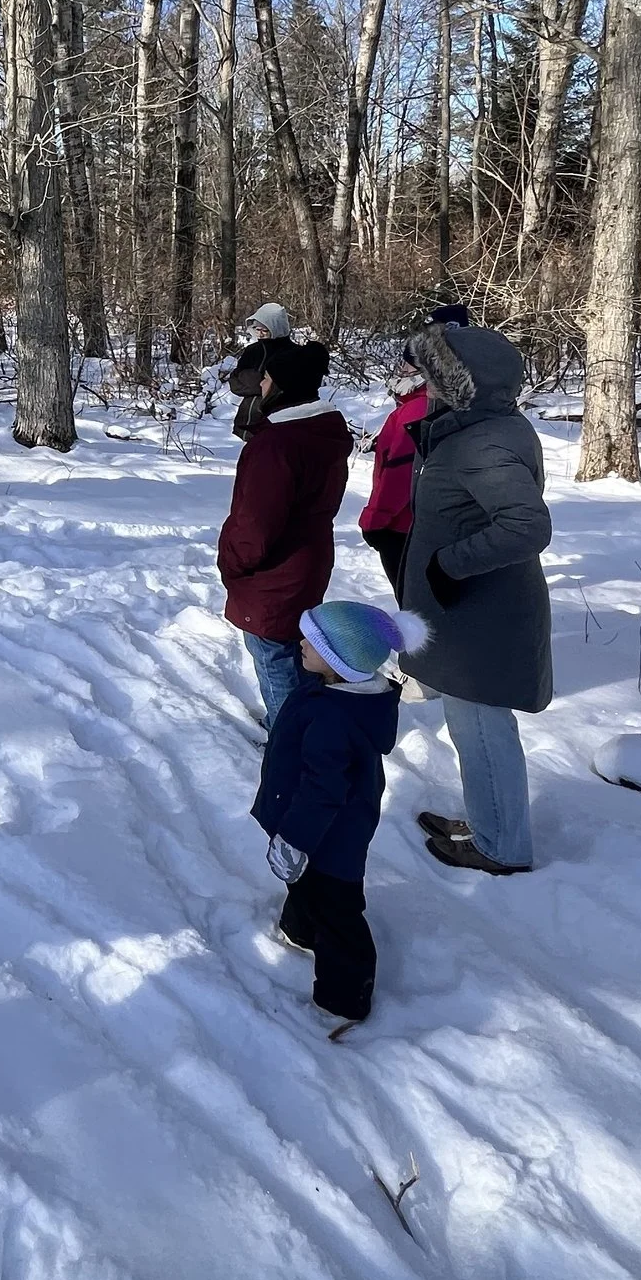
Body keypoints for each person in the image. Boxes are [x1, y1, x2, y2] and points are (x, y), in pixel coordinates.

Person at [401, 321, 552, 875]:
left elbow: (527, 526)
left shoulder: (484, 441)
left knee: (484, 731)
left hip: (483, 615)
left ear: (461, 381)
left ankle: (500, 848)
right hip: (470, 613)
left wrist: (448, 564)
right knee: (473, 729)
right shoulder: (479, 428)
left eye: (433, 374)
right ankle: (491, 824)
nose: (424, 385)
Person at [253, 600, 425, 1025]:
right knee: (307, 884)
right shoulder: (331, 691)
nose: (300, 645)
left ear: (338, 660)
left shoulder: (333, 715)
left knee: (338, 909)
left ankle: (346, 998)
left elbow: (322, 791)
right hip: (315, 824)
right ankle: (300, 930)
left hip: (327, 833)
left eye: (311, 641)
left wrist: (295, 838)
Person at [217, 337, 350, 731]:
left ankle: (286, 738)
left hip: (274, 573)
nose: (260, 386)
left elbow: (254, 526)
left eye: (266, 379)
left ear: (281, 387)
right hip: (307, 562)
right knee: (296, 650)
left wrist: (232, 562)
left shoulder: (276, 445)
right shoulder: (321, 431)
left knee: (273, 655)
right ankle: (298, 723)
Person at [358, 353, 428, 598]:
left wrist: (375, 520)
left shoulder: (418, 409)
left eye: (408, 364)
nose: (401, 370)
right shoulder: (415, 405)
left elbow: (401, 472)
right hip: (411, 524)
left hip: (402, 527)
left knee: (415, 605)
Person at [224, 301, 294, 440]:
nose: (260, 334)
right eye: (257, 329)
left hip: (275, 420)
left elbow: (285, 387)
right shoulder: (253, 350)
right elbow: (235, 383)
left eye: (265, 330)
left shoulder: (292, 352)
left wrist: (258, 382)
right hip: (248, 418)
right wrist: (258, 382)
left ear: (276, 327)